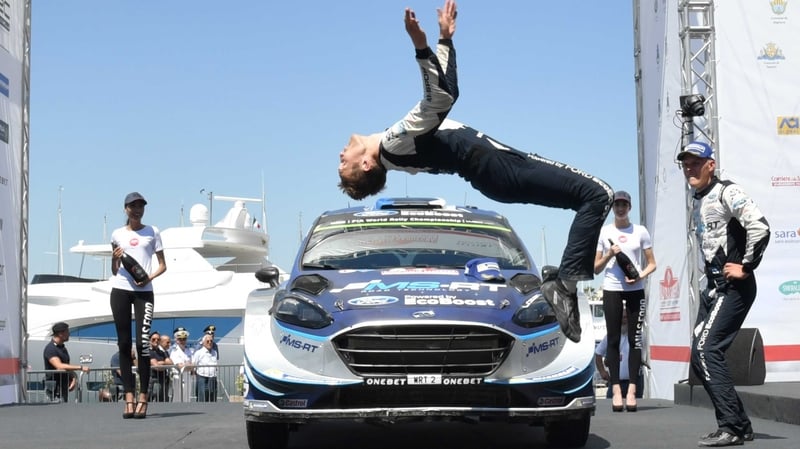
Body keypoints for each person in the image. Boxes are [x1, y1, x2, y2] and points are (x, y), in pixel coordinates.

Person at [335, 0, 613, 343]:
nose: (341, 153)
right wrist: (421, 47)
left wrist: (444, 39)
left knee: (593, 196)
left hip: (497, 171)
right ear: (366, 164)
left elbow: (440, 95)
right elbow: (442, 97)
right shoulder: (394, 143)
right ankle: (564, 285)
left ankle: (565, 282)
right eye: (344, 162)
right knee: (597, 193)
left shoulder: (396, 147)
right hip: (497, 169)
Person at [678, 141, 770, 447]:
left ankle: (732, 426)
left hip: (735, 288)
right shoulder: (696, 199)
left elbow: (760, 227)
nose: (689, 169)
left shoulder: (727, 191)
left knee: (707, 350)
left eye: (695, 163)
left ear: (710, 165)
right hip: (713, 289)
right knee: (698, 356)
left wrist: (746, 266)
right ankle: (738, 425)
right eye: (686, 164)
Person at [594, 190, 656, 412]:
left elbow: (652, 263)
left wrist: (639, 276)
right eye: (617, 205)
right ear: (612, 208)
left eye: (624, 205)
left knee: (634, 339)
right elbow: (596, 267)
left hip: (635, 289)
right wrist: (610, 253)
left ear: (629, 207)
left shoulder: (640, 231)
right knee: (612, 338)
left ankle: (631, 390)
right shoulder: (604, 232)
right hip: (611, 288)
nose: (620, 208)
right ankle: (616, 390)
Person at [110, 191, 167, 419]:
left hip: (144, 292)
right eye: (133, 206)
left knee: (143, 344)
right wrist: (115, 258)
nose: (137, 209)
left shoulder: (153, 232)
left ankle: (144, 396)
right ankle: (129, 397)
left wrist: (148, 278)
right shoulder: (117, 234)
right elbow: (115, 270)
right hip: (121, 290)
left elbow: (163, 265)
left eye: (141, 206)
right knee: (124, 344)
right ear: (125, 209)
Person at [594, 310, 644, 404]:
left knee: (636, 409)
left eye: (625, 318)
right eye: (621, 318)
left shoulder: (639, 336)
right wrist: (602, 371)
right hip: (616, 382)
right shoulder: (611, 336)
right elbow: (598, 353)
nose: (623, 320)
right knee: (610, 408)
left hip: (635, 382)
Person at [42, 322, 90, 402]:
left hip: (63, 388)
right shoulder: (50, 349)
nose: (69, 334)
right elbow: (59, 366)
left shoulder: (62, 348)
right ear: (60, 334)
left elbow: (66, 365)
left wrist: (73, 378)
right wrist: (80, 367)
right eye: (67, 332)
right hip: (54, 390)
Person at [169, 327, 195, 402]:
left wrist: (187, 365)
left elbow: (193, 364)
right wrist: (188, 365)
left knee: (187, 399)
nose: (182, 341)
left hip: (187, 378)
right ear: (176, 340)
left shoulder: (189, 351)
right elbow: (180, 366)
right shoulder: (174, 352)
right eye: (180, 339)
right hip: (178, 378)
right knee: (177, 400)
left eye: (184, 339)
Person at [192, 333, 219, 402]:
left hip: (212, 378)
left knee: (212, 398)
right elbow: (193, 365)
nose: (210, 343)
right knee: (202, 398)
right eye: (207, 341)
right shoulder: (199, 353)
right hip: (202, 378)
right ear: (203, 343)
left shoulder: (214, 352)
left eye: (211, 341)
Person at [149, 332, 173, 402]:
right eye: (153, 339)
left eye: (158, 339)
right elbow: (156, 367)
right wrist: (164, 363)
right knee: (152, 401)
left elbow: (171, 363)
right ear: (149, 340)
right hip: (153, 380)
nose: (156, 341)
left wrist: (161, 363)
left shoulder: (163, 352)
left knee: (163, 401)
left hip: (163, 380)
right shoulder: (148, 352)